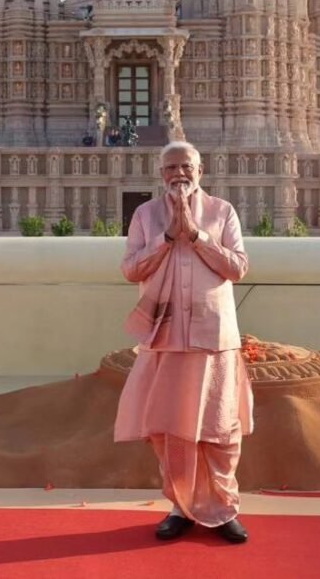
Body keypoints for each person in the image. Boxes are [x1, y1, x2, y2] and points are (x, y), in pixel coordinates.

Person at [114, 141, 253, 543]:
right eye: (172, 167)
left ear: (200, 170)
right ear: (162, 174)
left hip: (214, 334)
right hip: (166, 335)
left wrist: (195, 236)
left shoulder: (221, 211)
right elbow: (129, 269)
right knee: (170, 431)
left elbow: (238, 267)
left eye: (186, 166)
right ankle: (182, 507)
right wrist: (167, 238)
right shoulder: (145, 215)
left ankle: (224, 509)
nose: (180, 174)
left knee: (220, 428)